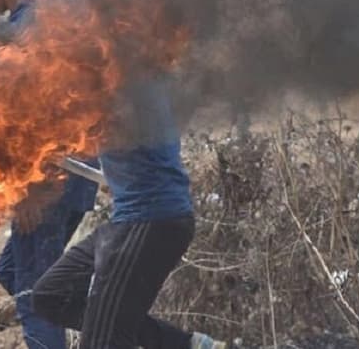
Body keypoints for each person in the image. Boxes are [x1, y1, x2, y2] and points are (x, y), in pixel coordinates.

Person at [0, 0, 100, 348]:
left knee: (35, 299)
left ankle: (123, 329)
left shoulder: (23, 32)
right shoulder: (46, 19)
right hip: (77, 178)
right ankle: (127, 329)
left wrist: (28, 192)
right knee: (15, 275)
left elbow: (36, 120)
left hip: (47, 185)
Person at [30, 87, 228, 347]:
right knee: (51, 296)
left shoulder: (124, 81)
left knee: (102, 343)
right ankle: (183, 344)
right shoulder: (129, 73)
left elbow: (78, 121)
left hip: (148, 220)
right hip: (132, 217)